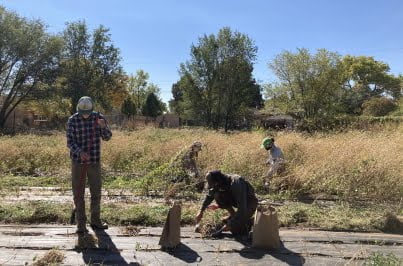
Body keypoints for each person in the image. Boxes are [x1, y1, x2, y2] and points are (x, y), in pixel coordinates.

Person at [67, 96, 112, 234]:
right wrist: (80, 152)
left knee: (96, 192)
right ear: (78, 110)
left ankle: (96, 221)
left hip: (94, 162)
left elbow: (107, 137)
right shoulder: (72, 120)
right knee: (78, 193)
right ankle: (81, 224)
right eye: (83, 114)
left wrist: (103, 127)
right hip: (78, 162)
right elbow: (70, 142)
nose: (85, 116)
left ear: (92, 109)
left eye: (88, 114)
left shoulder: (98, 117)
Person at [195, 170, 258, 237]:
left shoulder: (237, 183)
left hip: (249, 204)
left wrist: (231, 224)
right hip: (237, 202)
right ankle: (234, 216)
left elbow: (242, 208)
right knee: (217, 194)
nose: (214, 187)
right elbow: (210, 196)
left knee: (236, 230)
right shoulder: (221, 183)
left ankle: (250, 222)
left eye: (215, 185)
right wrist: (201, 210)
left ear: (219, 181)